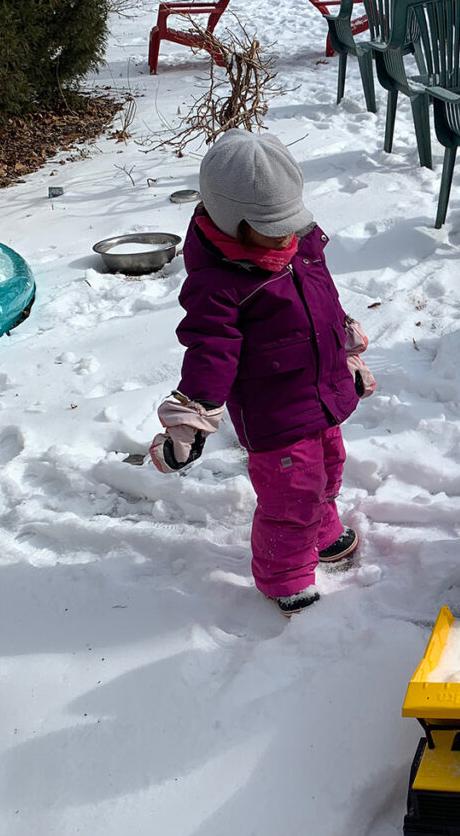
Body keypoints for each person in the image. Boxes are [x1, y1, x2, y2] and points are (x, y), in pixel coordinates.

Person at [148, 129, 374, 615]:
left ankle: (323, 529)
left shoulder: (302, 243)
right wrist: (192, 418)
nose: (285, 237)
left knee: (330, 469)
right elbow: (210, 351)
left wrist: (347, 352)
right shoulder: (219, 285)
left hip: (322, 392)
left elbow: (324, 303)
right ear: (232, 223)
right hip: (273, 412)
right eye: (271, 228)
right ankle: (283, 575)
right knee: (291, 495)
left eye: (290, 222)